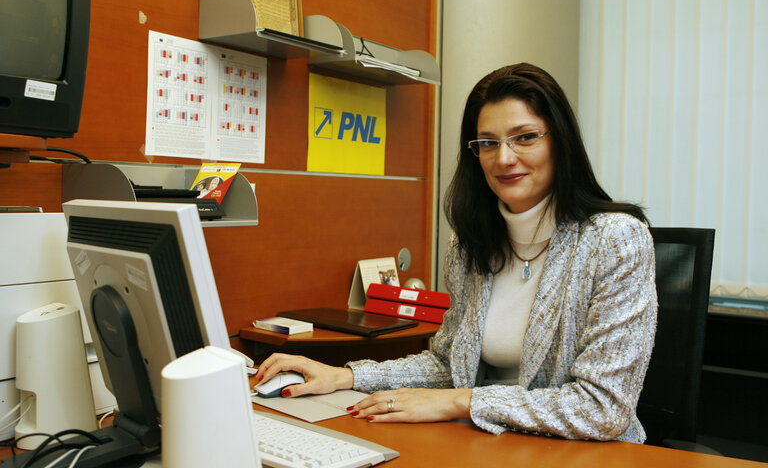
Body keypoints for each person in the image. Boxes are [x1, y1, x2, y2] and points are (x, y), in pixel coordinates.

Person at [256, 63, 658, 443]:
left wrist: (459, 401)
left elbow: (603, 407)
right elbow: (447, 366)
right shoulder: (469, 245)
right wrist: (344, 377)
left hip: (583, 454)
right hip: (488, 444)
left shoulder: (616, 240)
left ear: (560, 141)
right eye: (488, 143)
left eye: (525, 137)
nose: (504, 158)